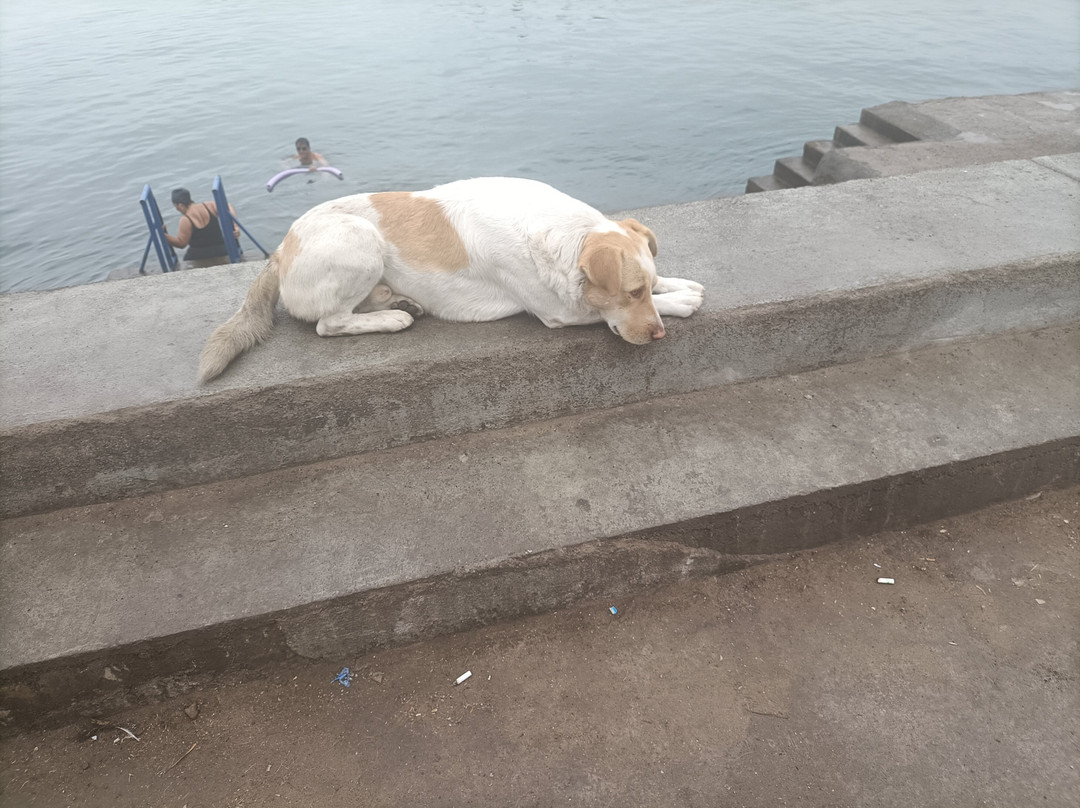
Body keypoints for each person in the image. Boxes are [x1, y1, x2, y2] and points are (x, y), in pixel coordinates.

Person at [164, 188, 240, 261]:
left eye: (176, 207)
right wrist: (235, 226)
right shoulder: (209, 206)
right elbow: (227, 206)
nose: (177, 210)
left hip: (198, 254)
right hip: (222, 250)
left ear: (180, 205)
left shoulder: (185, 220)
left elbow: (181, 243)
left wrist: (164, 235)